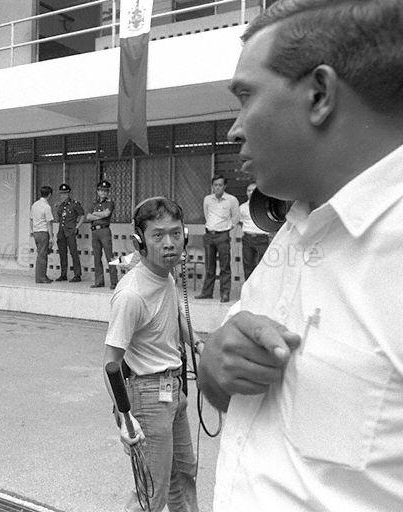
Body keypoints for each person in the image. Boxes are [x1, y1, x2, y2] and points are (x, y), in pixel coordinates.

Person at [197, 1, 403, 510]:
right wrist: (214, 364)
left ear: (319, 94)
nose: (235, 128)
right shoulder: (295, 228)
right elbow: (226, 388)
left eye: (246, 97)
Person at [103, 197, 198, 512]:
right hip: (147, 395)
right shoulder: (131, 294)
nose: (169, 243)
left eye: (175, 233)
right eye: (158, 236)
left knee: (183, 476)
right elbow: (110, 365)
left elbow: (174, 315)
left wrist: (196, 342)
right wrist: (125, 416)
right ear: (139, 242)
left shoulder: (166, 276)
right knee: (151, 496)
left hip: (174, 389)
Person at [195, 175, 239, 302]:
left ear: (224, 186)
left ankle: (225, 294)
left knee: (225, 266)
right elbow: (206, 214)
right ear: (212, 186)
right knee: (209, 266)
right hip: (209, 235)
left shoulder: (232, 200)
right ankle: (207, 292)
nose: (217, 187)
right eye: (215, 185)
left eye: (220, 185)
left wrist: (227, 227)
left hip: (223, 235)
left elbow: (235, 217)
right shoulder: (207, 199)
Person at [86, 180, 118, 289]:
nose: (103, 193)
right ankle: (99, 281)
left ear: (108, 192)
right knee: (97, 257)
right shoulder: (94, 203)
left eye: (105, 191)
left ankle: (114, 281)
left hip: (104, 231)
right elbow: (88, 217)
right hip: (95, 231)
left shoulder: (109, 202)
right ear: (98, 191)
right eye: (101, 191)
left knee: (109, 256)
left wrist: (95, 214)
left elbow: (107, 214)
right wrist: (100, 215)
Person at [238, 182, 270, 280]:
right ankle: (249, 291)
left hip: (262, 239)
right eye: (249, 191)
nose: (251, 193)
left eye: (253, 191)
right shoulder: (242, 207)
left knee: (262, 266)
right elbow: (240, 222)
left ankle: (260, 292)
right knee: (248, 266)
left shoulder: (265, 206)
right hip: (248, 238)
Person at [55, 183, 85, 282]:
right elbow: (59, 218)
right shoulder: (60, 206)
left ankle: (77, 274)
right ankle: (63, 274)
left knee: (73, 253)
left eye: (65, 193)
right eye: (61, 194)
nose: (63, 196)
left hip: (70, 232)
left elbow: (82, 215)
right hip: (61, 232)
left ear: (69, 194)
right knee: (62, 253)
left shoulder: (75, 204)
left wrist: (77, 227)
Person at [30, 186, 54, 284]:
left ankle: (41, 275)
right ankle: (41, 277)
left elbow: (31, 220)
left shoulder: (34, 205)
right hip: (44, 232)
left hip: (36, 232)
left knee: (40, 254)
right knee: (43, 255)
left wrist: (34, 230)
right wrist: (51, 237)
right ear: (49, 195)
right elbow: (49, 223)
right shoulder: (47, 207)